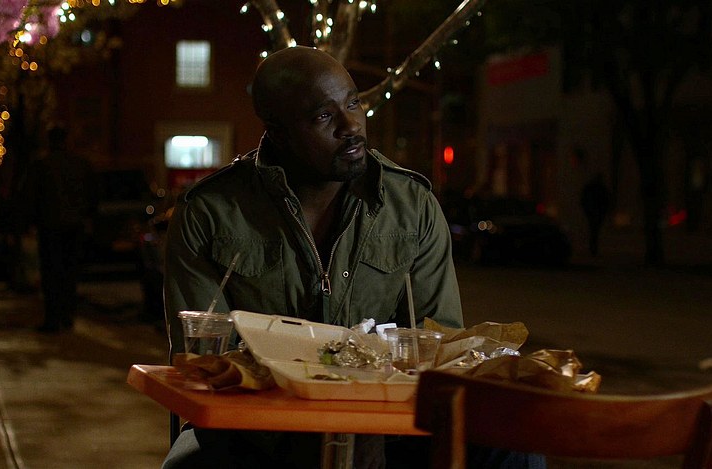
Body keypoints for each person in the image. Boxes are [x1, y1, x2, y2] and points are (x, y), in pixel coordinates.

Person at [162, 46, 544, 469]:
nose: (351, 126)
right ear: (278, 132)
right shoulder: (210, 212)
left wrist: (368, 427)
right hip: (257, 430)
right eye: (324, 116)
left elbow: (440, 348)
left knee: (515, 447)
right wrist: (309, 429)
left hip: (390, 425)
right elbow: (207, 363)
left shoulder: (411, 205)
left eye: (353, 103)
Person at [23, 126, 97, 333]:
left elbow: (30, 195)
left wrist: (31, 221)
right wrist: (86, 216)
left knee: (51, 273)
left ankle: (53, 317)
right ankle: (67, 315)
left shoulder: (42, 165)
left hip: (50, 226)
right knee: (69, 273)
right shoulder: (80, 164)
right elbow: (93, 194)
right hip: (73, 226)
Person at [580, 173, 611, 257]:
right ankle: (593, 247)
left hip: (593, 212)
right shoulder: (601, 189)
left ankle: (593, 247)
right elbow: (606, 200)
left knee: (593, 229)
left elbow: (584, 199)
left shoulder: (591, 188)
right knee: (595, 230)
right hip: (596, 212)